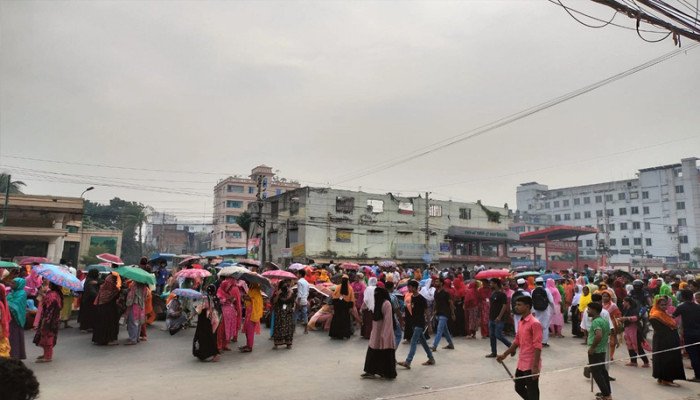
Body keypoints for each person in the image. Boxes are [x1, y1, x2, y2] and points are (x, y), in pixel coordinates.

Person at [497, 296, 542, 400]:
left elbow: (538, 346)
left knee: (533, 390)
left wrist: (535, 367)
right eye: (516, 304)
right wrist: (505, 354)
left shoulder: (534, 323)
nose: (516, 307)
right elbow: (517, 341)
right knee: (518, 387)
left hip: (531, 364)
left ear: (527, 306)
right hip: (522, 362)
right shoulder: (521, 321)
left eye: (519, 305)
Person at [397, 280, 435, 369]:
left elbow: (427, 313)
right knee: (423, 342)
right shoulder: (411, 298)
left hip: (420, 323)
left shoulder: (421, 298)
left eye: (409, 287)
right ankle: (431, 358)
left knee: (413, 342)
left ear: (414, 287)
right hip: (414, 323)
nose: (408, 289)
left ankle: (408, 361)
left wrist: (429, 326)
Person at [362, 287, 397, 380]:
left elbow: (388, 320)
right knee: (372, 350)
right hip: (376, 331)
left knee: (385, 351)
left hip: (384, 332)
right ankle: (370, 371)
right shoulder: (376, 302)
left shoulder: (386, 304)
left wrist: (385, 335)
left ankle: (386, 373)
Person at [650, 296, 686, 386]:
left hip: (669, 340)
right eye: (661, 305)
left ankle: (662, 378)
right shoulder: (655, 315)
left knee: (666, 358)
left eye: (665, 304)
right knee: (667, 359)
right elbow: (662, 330)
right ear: (657, 305)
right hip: (664, 341)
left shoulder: (664, 313)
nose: (664, 306)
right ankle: (667, 380)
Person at [587, 302, 612, 400]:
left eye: (589, 309)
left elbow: (599, 335)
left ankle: (606, 396)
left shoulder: (596, 322)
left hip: (596, 351)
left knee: (597, 374)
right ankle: (607, 392)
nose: (587, 311)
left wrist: (592, 348)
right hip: (602, 350)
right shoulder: (604, 321)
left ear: (594, 310)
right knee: (603, 372)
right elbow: (608, 333)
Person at [673, 289, 700, 382]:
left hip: (689, 334)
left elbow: (672, 317)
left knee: (693, 355)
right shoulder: (698, 307)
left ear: (682, 297)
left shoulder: (681, 307)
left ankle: (698, 376)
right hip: (698, 333)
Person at [32, 282, 62, 362]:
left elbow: (49, 307)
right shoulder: (55, 294)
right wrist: (42, 294)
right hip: (51, 318)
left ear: (52, 285)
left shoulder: (53, 294)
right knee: (45, 336)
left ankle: (48, 357)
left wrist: (45, 320)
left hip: (49, 319)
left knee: (48, 337)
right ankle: (46, 354)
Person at [92, 269, 121, 346]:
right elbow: (116, 296)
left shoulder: (103, 288)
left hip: (101, 308)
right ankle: (108, 340)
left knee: (100, 323)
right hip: (109, 310)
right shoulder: (113, 290)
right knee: (108, 324)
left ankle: (98, 339)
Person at [193, 285, 221, 362]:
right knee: (210, 337)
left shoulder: (205, 298)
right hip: (210, 319)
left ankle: (206, 353)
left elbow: (199, 309)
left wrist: (193, 314)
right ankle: (213, 353)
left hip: (203, 320)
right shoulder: (214, 298)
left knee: (203, 337)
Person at [486, 278, 511, 358]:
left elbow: (504, 306)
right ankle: (493, 352)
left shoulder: (502, 294)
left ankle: (511, 346)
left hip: (499, 319)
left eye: (492, 283)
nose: (490, 285)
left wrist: (499, 317)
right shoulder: (493, 293)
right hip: (491, 317)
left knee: (498, 335)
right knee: (492, 336)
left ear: (496, 284)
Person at [217, 277, 242, 351]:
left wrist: (232, 300)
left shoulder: (229, 292)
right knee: (221, 331)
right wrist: (226, 299)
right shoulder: (219, 291)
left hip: (230, 314)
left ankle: (225, 344)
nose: (229, 289)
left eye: (230, 287)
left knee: (227, 330)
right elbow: (219, 301)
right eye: (228, 287)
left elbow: (234, 301)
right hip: (222, 314)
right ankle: (219, 346)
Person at [6, 276, 27, 359]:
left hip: (16, 319)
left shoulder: (22, 293)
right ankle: (11, 355)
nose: (11, 284)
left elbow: (16, 305)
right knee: (10, 337)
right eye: (11, 282)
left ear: (19, 284)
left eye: (13, 283)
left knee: (15, 337)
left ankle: (16, 355)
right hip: (9, 318)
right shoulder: (11, 293)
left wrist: (6, 304)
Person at [431, 278, 455, 351]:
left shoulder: (446, 292)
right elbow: (435, 302)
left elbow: (451, 303)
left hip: (445, 313)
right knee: (445, 330)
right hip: (438, 312)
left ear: (441, 283)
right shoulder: (436, 292)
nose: (435, 283)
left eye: (437, 282)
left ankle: (434, 346)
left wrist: (453, 313)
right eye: (435, 282)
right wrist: (434, 310)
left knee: (439, 330)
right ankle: (450, 344)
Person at [329, 275, 355, 340]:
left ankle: (335, 334)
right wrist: (351, 307)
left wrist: (333, 305)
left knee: (336, 319)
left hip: (338, 306)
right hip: (346, 307)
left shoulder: (338, 287)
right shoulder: (350, 288)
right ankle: (344, 334)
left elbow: (334, 297)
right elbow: (352, 299)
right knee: (345, 320)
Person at [240, 282, 263, 353]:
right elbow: (249, 298)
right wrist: (246, 297)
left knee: (250, 330)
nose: (248, 283)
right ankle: (248, 345)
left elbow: (257, 301)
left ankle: (250, 346)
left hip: (253, 313)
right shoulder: (251, 290)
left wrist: (249, 298)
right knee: (247, 330)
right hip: (248, 312)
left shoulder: (256, 291)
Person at [272, 279, 295, 349]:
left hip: (287, 313)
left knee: (288, 328)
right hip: (279, 313)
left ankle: (288, 343)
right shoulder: (277, 293)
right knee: (278, 328)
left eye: (286, 286)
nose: (285, 288)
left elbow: (292, 303)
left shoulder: (290, 293)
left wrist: (290, 293)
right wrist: (278, 294)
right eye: (283, 286)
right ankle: (276, 344)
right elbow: (274, 301)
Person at [531, 277, 553, 347]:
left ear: (536, 283)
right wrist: (554, 310)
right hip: (545, 311)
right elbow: (551, 301)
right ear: (543, 282)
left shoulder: (533, 291)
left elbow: (531, 302)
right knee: (545, 326)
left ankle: (536, 341)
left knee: (537, 326)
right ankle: (544, 342)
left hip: (536, 310)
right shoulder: (547, 290)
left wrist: (532, 311)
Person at [125, 281, 148, 345]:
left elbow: (130, 296)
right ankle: (137, 338)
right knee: (139, 322)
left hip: (134, 305)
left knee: (133, 322)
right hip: (141, 306)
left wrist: (127, 303)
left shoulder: (134, 286)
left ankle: (133, 339)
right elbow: (145, 297)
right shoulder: (145, 287)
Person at [295, 269, 310, 335]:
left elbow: (300, 293)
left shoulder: (299, 282)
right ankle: (306, 330)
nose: (297, 275)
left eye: (297, 274)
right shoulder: (306, 282)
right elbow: (307, 292)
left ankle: (293, 329)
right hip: (305, 300)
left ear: (300, 274)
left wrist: (298, 302)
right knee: (305, 314)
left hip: (300, 300)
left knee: (295, 314)